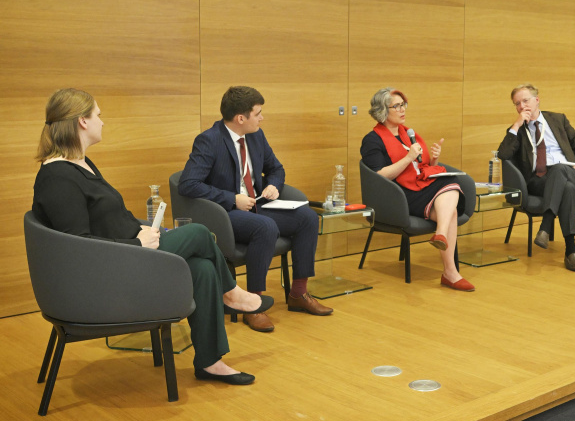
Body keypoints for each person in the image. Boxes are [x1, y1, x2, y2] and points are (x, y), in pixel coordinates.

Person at [32, 89, 269, 386]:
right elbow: (79, 248)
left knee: (203, 269)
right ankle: (232, 293)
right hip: (106, 274)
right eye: (98, 116)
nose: (102, 122)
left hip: (125, 255)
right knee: (198, 233)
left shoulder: (81, 164)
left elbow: (109, 216)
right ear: (82, 122)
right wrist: (136, 243)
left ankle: (211, 362)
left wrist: (138, 228)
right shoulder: (58, 177)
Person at [178, 86, 331, 333]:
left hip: (257, 203)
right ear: (241, 118)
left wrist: (273, 185)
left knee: (308, 218)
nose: (262, 118)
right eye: (257, 113)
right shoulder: (209, 140)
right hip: (225, 213)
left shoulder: (256, 136)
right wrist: (231, 198)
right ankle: (253, 304)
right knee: (265, 226)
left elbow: (276, 168)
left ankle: (298, 294)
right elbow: (188, 184)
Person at [360, 88, 473, 291]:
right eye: (397, 106)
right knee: (451, 187)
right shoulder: (372, 140)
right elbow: (379, 176)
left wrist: (435, 159)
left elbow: (420, 167)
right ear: (382, 110)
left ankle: (448, 266)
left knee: (452, 207)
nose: (403, 109)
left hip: (420, 188)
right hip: (398, 197)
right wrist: (408, 157)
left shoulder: (407, 134)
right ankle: (448, 264)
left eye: (404, 104)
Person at [498, 84, 575, 272]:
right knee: (567, 189)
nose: (522, 106)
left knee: (560, 171)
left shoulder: (558, 119)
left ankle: (546, 225)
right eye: (517, 103)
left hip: (570, 173)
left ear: (537, 100)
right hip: (538, 181)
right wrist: (516, 125)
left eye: (525, 100)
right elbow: (503, 154)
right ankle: (570, 249)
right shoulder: (518, 130)